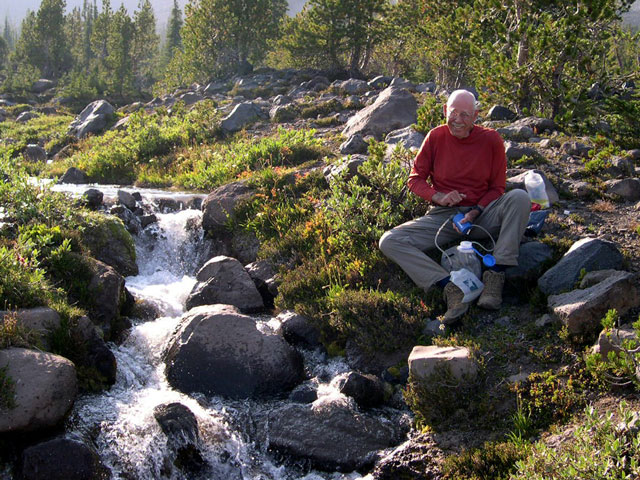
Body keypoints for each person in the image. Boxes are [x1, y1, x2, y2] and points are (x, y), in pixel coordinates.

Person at [379, 89, 531, 324]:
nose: (458, 120)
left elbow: (498, 188)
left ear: (476, 116)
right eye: (453, 113)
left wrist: (475, 211)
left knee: (519, 197)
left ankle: (496, 275)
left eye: (465, 115)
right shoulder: (435, 137)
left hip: (483, 214)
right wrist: (437, 196)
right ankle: (450, 288)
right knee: (389, 241)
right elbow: (415, 179)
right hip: (445, 216)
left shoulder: (491, 140)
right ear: (444, 111)